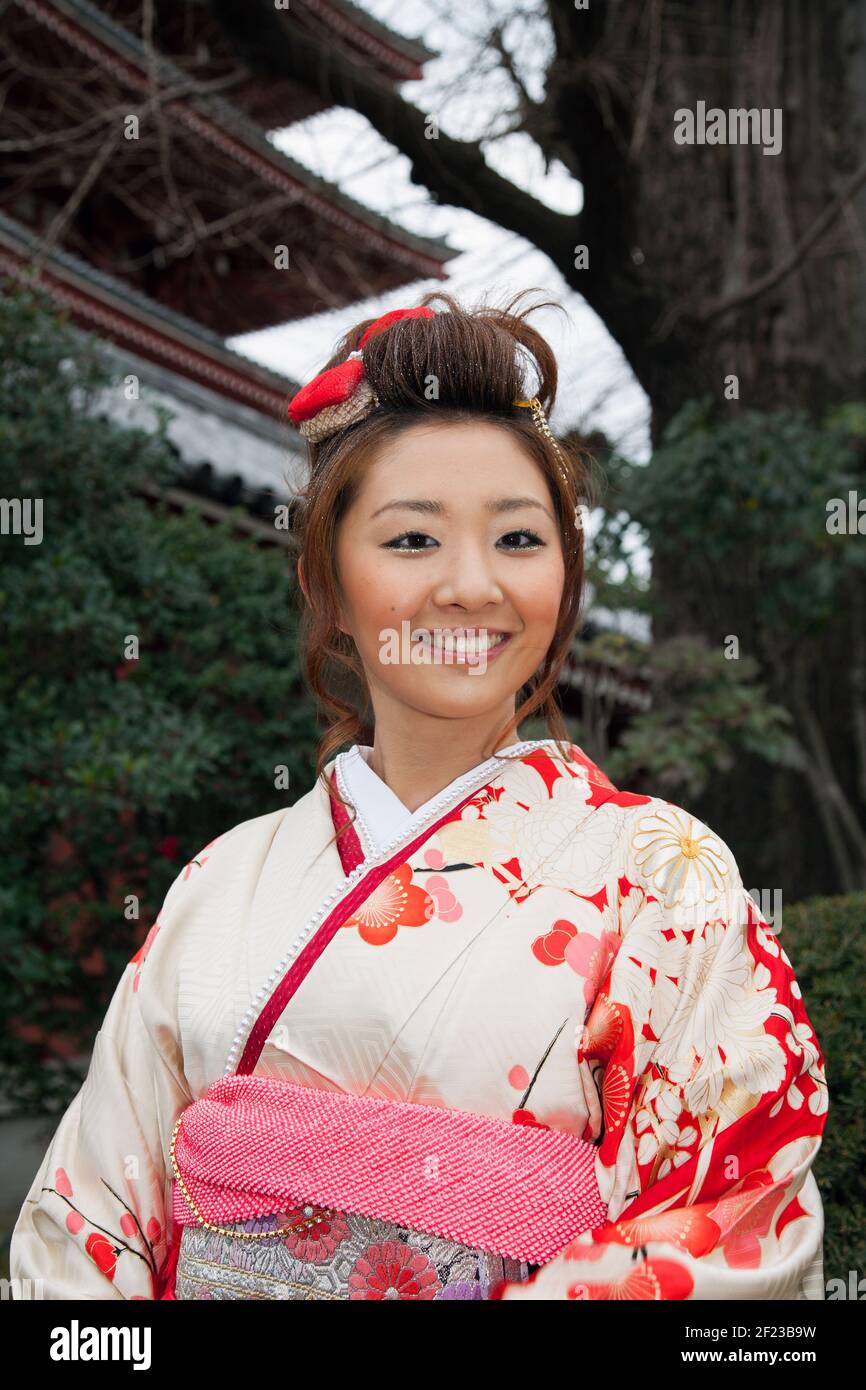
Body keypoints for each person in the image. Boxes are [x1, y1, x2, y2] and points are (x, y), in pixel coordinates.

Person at [11, 293, 828, 1301]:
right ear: (327, 586)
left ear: (564, 580)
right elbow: (83, 1214)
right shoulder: (218, 881)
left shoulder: (663, 878)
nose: (471, 585)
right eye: (410, 541)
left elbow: (733, 1213)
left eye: (519, 540)